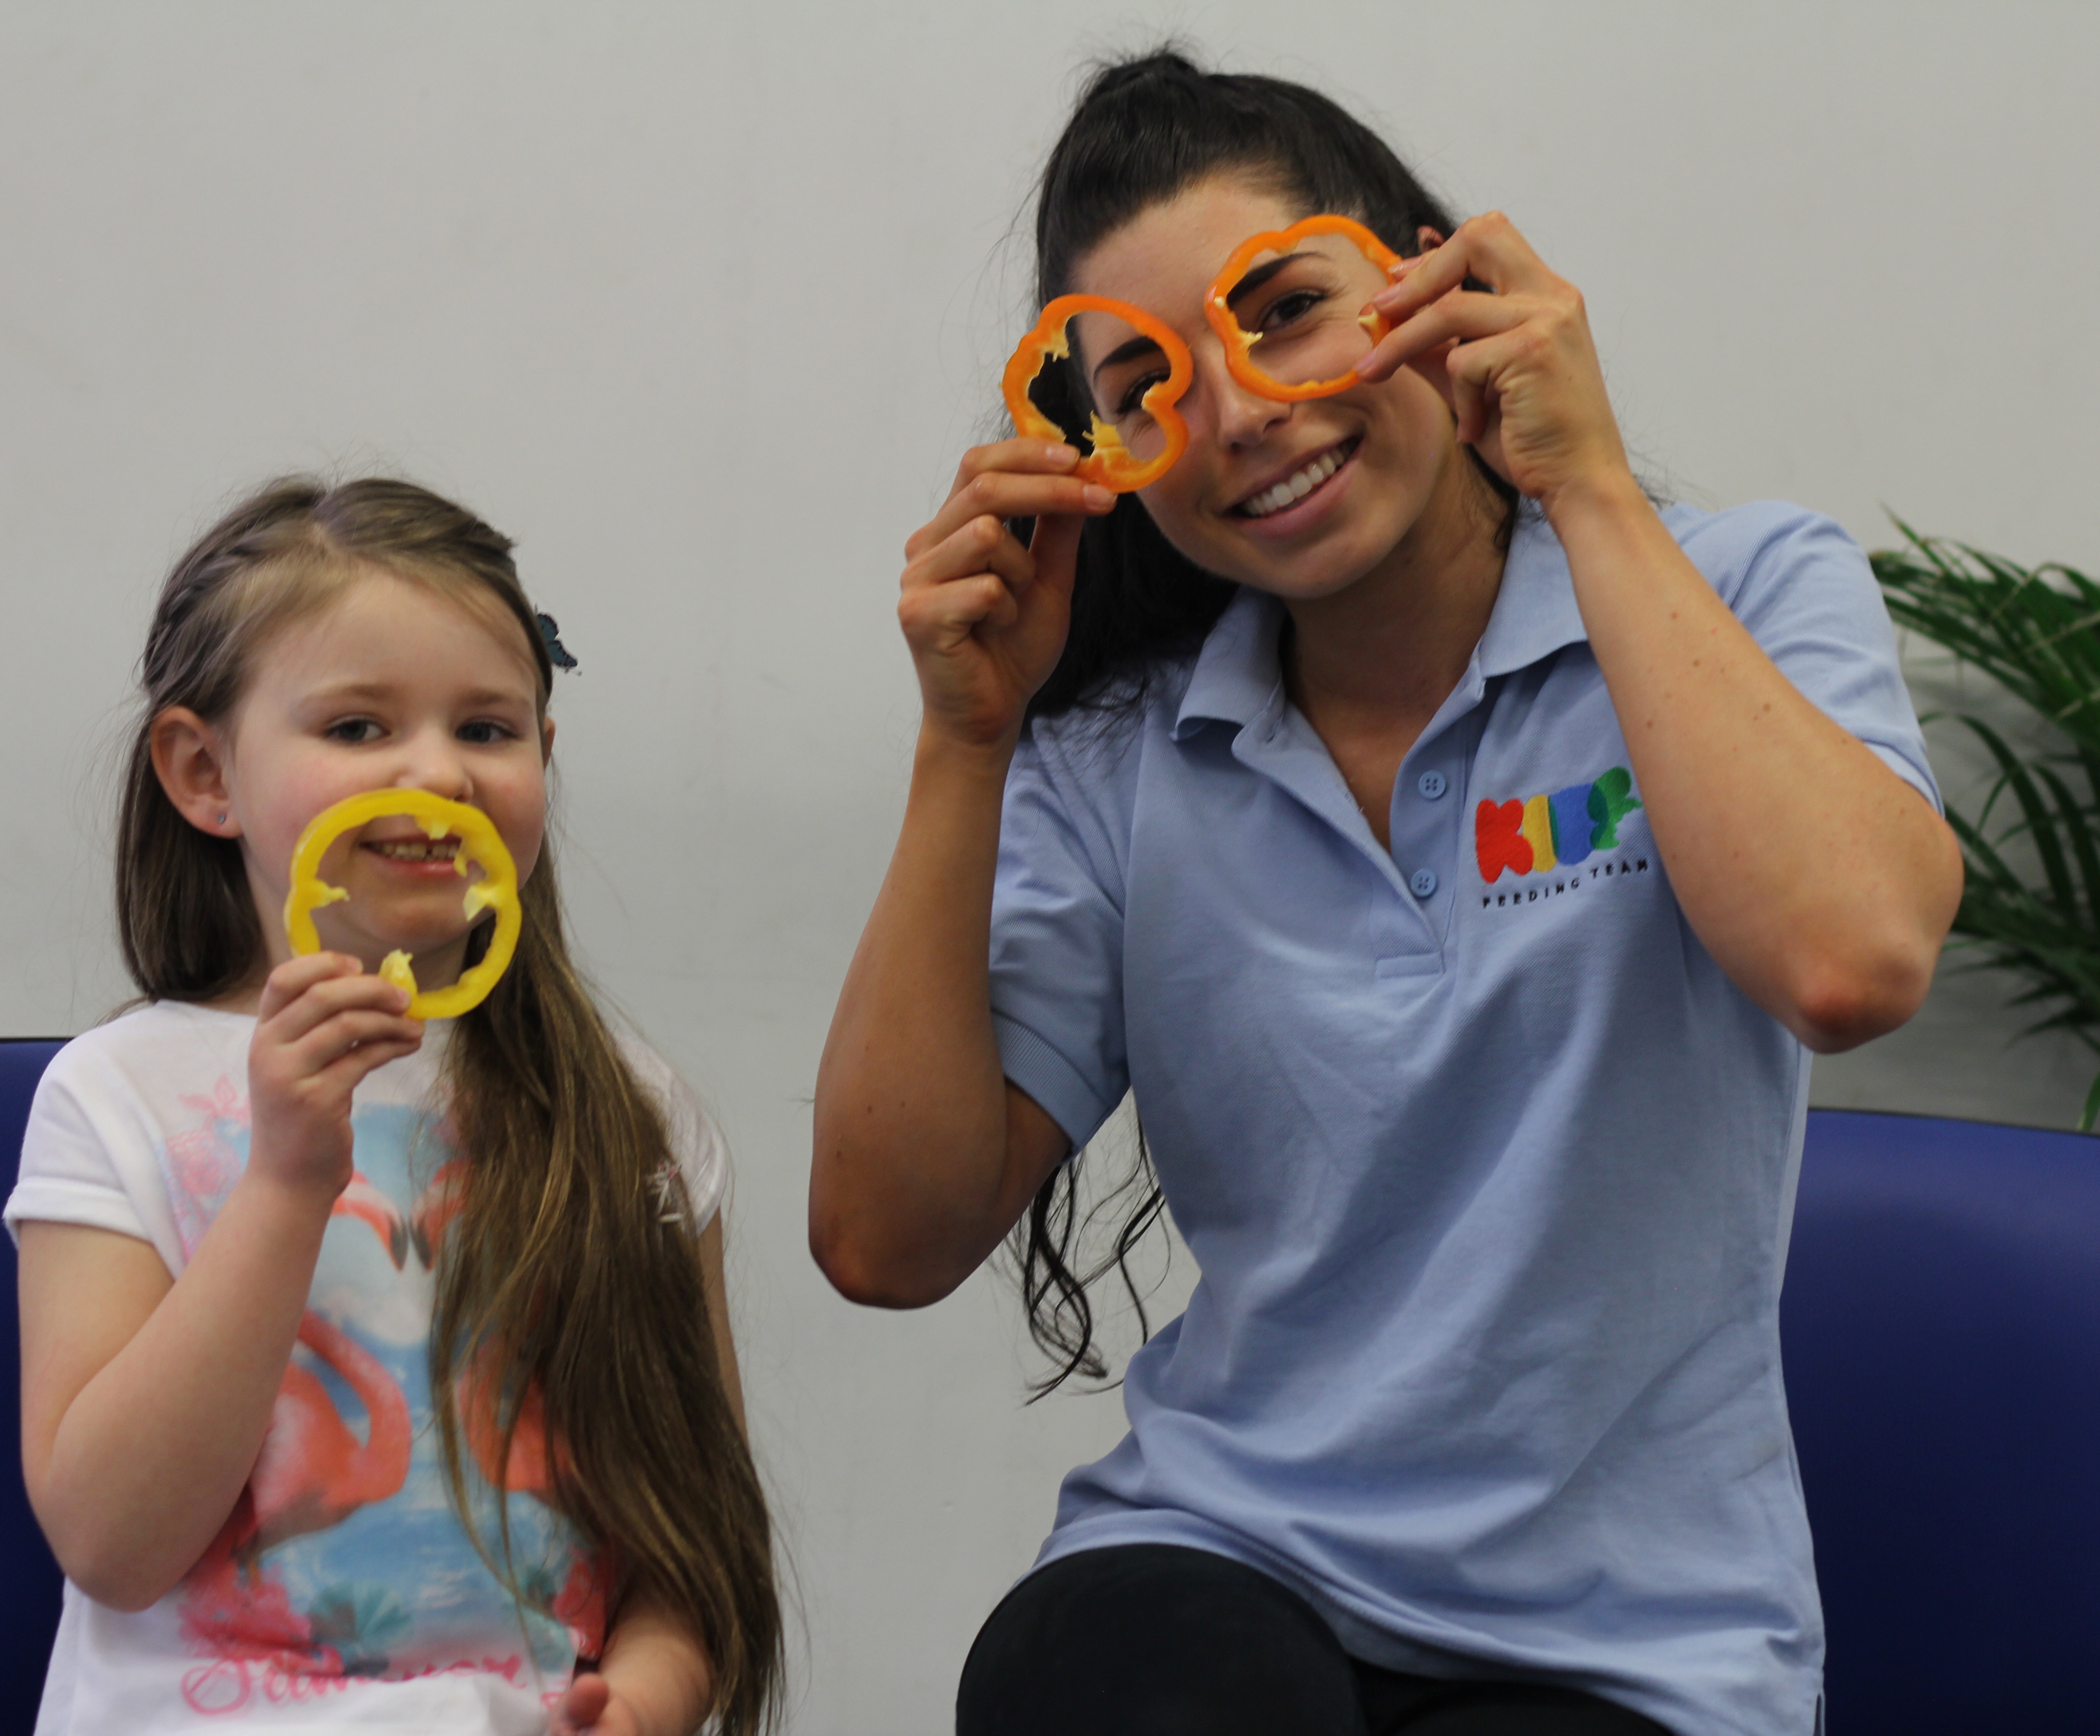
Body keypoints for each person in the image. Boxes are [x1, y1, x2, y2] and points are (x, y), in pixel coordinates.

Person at [810, 50, 1960, 1736]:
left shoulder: (1740, 588)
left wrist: (1588, 481)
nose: (1245, 413)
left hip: (1628, 1643)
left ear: (1435, 281)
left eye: (1283, 310)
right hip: (1217, 1566)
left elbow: (1850, 959)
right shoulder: (1119, 748)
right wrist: (963, 744)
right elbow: (881, 1235)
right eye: (1148, 384)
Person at [10, 478, 780, 1736]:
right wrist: (284, 1184)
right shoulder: (114, 1098)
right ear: (204, 772)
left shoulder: (631, 1117)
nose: (437, 772)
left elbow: (691, 1546)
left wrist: (642, 1701)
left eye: (489, 729)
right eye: (360, 728)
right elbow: (113, 1540)